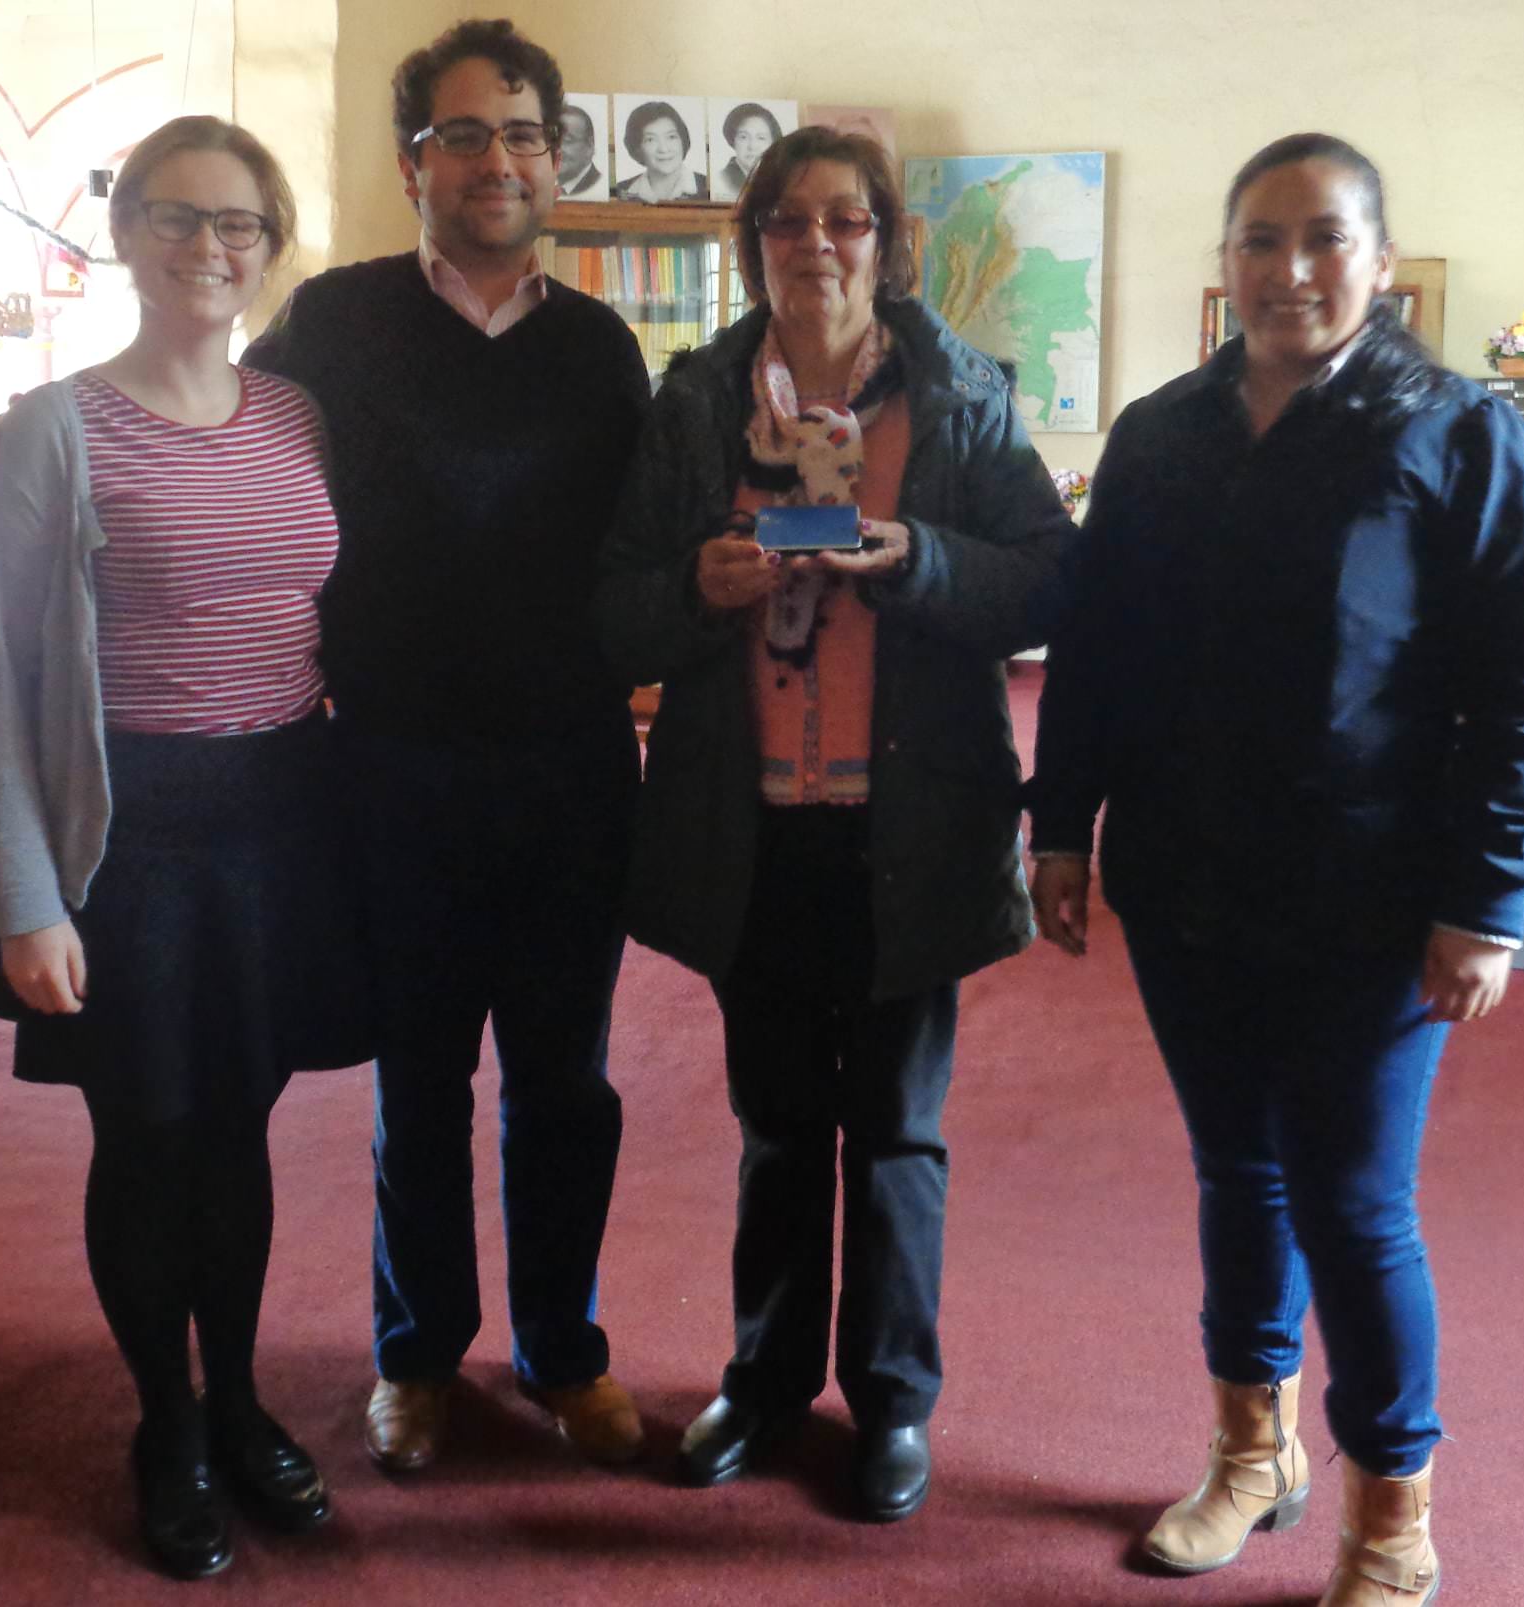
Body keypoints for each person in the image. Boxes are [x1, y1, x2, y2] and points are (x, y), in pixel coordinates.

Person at [1029, 133, 1524, 1605]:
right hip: (1186, 879)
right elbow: (1094, 647)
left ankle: (1391, 1515)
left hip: (1372, 894)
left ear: (1378, 261)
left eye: (1324, 237)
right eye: (1261, 240)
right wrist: (1059, 824)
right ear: (1225, 262)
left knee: (1352, 1200)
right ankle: (1249, 1451)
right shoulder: (1159, 432)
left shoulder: (1457, 430)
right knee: (1236, 1170)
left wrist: (1487, 901)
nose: (1290, 269)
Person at [594, 126, 1076, 1522]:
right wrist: (697, 588)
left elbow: (1048, 579)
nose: (816, 243)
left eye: (845, 219)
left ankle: (893, 1401)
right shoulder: (696, 401)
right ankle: (763, 1381)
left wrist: (916, 558)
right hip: (751, 824)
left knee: (898, 1131)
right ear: (754, 241)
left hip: (909, 824)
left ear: (885, 241)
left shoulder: (960, 396)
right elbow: (614, 606)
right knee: (778, 1126)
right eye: (788, 220)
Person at [0, 115, 368, 1581]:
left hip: (280, 815)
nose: (209, 247)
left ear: (271, 245)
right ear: (125, 233)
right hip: (129, 831)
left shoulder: (299, 416)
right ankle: (166, 1420)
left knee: (237, 1124)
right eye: (177, 217)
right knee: (145, 1132)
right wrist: (25, 899)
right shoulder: (53, 430)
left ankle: (237, 1396)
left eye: (239, 223)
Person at [241, 19, 654, 1473]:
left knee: (565, 1086)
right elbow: (209, 430)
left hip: (570, 772)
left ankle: (562, 1349)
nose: (499, 160)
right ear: (413, 162)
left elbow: (647, 542)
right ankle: (414, 1354)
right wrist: (60, 439)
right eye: (465, 134)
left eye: (525, 133)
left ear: (555, 160)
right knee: (418, 1082)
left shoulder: (600, 347)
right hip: (395, 770)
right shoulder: (333, 322)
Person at [612, 100, 709, 203]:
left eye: (671, 137)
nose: (663, 149)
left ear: (683, 140)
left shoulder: (707, 186)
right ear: (637, 147)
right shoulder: (623, 191)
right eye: (650, 139)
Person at [713, 103, 782, 205]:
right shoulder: (719, 182)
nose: (752, 146)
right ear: (733, 140)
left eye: (761, 138)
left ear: (772, 143)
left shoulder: (781, 183)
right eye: (743, 137)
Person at [556, 102, 606, 200]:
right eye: (553, 139)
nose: (557, 149)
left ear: (590, 146)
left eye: (567, 140)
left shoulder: (596, 188)